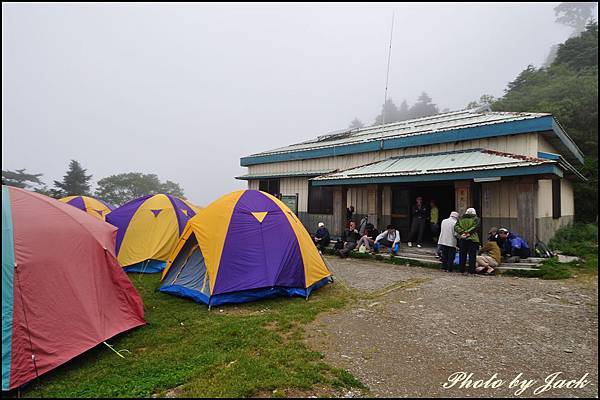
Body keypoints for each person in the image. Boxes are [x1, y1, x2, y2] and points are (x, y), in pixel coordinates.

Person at [454, 208, 480, 275]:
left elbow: (456, 227)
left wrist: (462, 232)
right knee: (472, 256)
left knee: (462, 255)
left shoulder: (461, 219)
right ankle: (471, 271)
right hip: (473, 239)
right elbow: (475, 227)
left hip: (462, 238)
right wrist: (468, 233)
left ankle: (461, 270)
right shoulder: (475, 218)